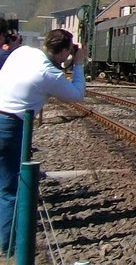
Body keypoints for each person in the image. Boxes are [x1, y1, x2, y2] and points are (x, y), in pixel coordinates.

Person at [0, 29, 88, 250]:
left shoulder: (22, 52)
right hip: (11, 127)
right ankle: (10, 248)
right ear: (65, 51)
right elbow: (77, 94)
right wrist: (77, 65)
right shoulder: (49, 74)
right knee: (11, 189)